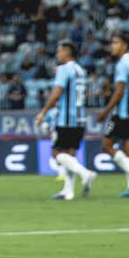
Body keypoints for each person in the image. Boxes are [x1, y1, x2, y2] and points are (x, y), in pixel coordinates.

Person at [34, 42, 96, 201]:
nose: (57, 54)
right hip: (80, 118)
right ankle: (68, 192)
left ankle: (85, 173)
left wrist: (43, 112)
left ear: (67, 52)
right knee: (70, 155)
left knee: (57, 154)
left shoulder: (64, 69)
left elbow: (56, 94)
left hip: (66, 118)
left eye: (59, 51)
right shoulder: (80, 70)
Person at [95, 32, 129, 198]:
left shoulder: (123, 64)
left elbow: (119, 92)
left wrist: (105, 111)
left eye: (115, 43)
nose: (112, 46)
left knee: (106, 144)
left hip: (122, 113)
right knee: (127, 145)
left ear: (124, 45)